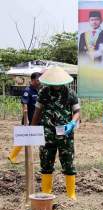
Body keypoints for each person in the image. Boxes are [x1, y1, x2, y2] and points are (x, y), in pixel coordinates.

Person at [31, 66, 80, 200]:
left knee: (68, 163)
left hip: (65, 134)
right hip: (47, 134)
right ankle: (46, 193)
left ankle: (71, 194)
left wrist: (72, 123)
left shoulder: (71, 93)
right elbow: (37, 112)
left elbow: (77, 112)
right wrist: (32, 130)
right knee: (46, 163)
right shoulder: (44, 92)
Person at [8, 72, 41, 164]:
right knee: (23, 138)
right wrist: (26, 119)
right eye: (38, 80)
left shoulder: (37, 91)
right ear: (32, 80)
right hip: (29, 119)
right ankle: (12, 156)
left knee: (39, 136)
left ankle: (45, 157)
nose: (39, 82)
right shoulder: (27, 91)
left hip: (37, 118)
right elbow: (24, 104)